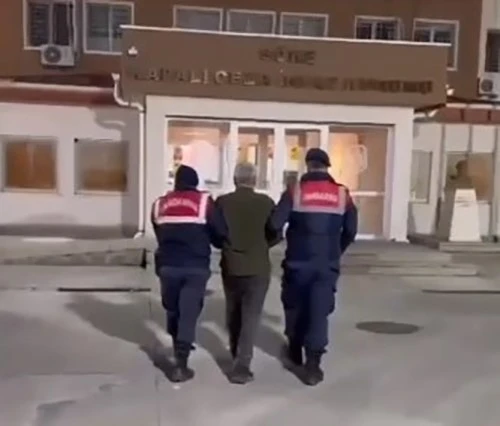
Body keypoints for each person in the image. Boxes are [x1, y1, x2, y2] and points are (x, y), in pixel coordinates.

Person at [270, 148, 358, 386]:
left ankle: (294, 350)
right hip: (326, 264)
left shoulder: (295, 191)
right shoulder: (342, 194)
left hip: (297, 262)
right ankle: (312, 366)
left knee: (295, 306)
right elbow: (351, 230)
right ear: (327, 167)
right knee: (319, 312)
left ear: (308, 166)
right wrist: (337, 250)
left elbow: (275, 223)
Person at [211, 162, 281, 384]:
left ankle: (235, 353)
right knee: (251, 316)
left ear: (235, 179)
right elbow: (276, 231)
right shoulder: (266, 203)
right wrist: (263, 246)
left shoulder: (222, 202)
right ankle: (243, 364)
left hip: (231, 265)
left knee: (233, 312)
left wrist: (225, 245)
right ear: (254, 180)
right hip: (258, 266)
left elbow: (215, 231)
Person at [151, 164, 220, 383]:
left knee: (173, 308)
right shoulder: (203, 202)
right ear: (194, 182)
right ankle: (181, 364)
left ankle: (177, 343)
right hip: (195, 266)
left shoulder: (160, 204)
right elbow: (219, 231)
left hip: (168, 265)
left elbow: (159, 231)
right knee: (189, 311)